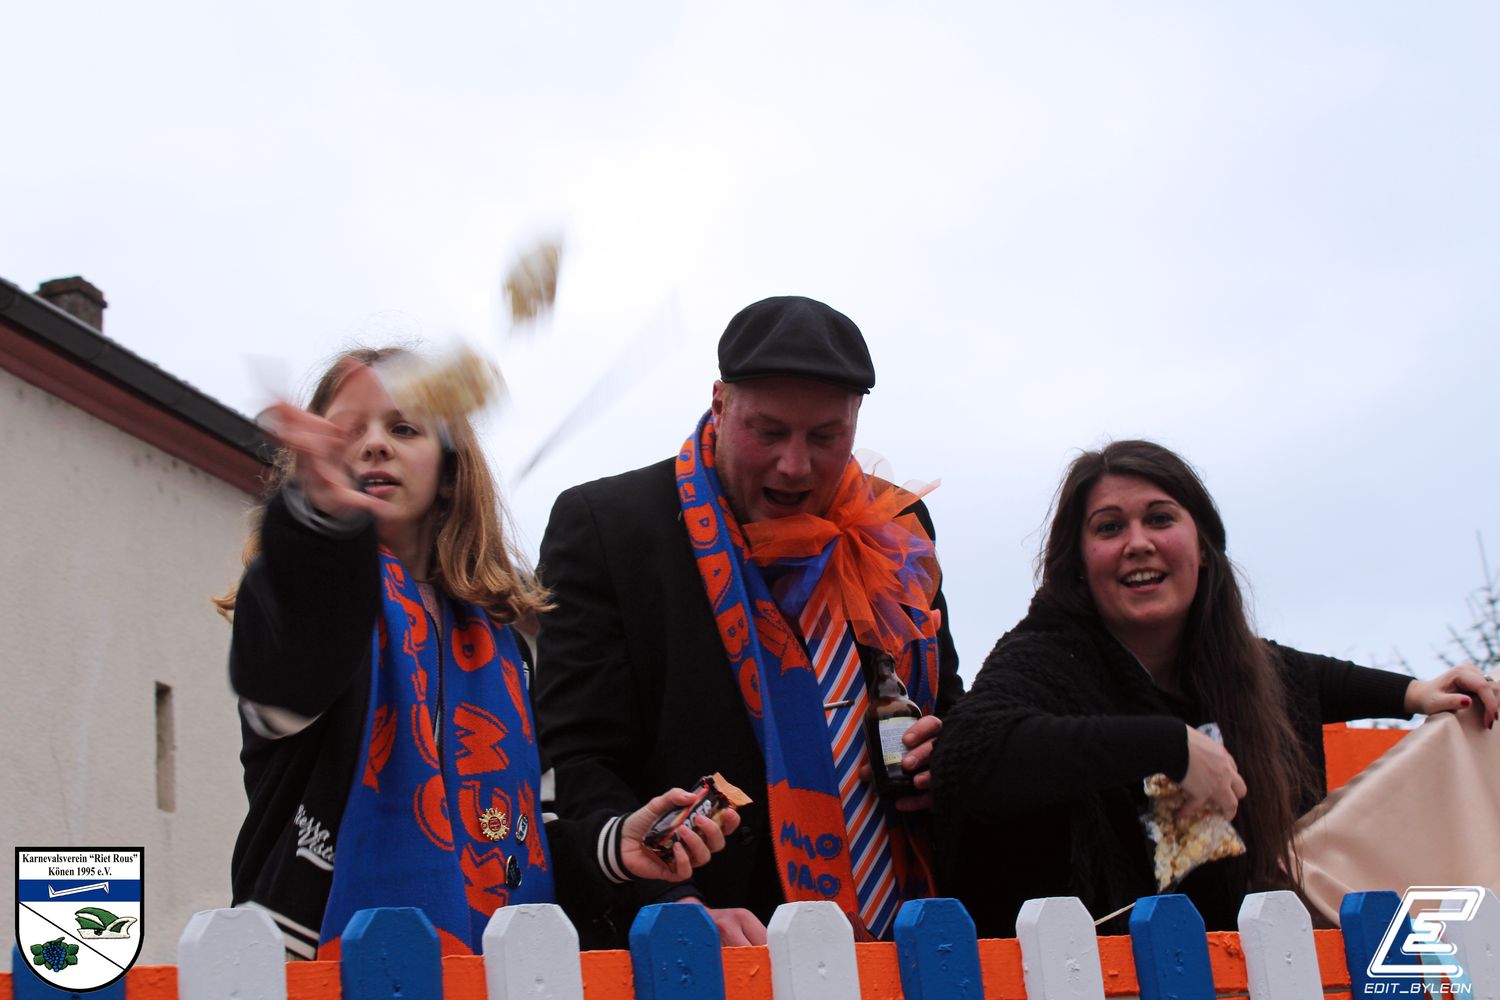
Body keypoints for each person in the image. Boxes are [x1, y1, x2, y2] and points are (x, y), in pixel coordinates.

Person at [216, 348, 738, 959]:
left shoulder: (505, 647)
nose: (375, 445)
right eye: (349, 432)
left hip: (495, 966)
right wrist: (314, 526)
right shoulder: (295, 595)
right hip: (318, 966)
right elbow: (286, 681)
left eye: (403, 428)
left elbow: (521, 842)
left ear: (449, 472)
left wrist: (616, 847)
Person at [930, 439, 1500, 936]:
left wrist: (1414, 693)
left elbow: (1310, 677)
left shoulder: (1232, 663)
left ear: (1202, 546)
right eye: (1109, 527)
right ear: (1079, 562)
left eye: (1160, 519)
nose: (1137, 542)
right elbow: (971, 748)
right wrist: (1169, 746)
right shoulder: (1046, 653)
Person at [534, 296, 963, 947]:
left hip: (909, 929)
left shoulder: (900, 521)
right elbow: (579, 760)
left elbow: (947, 700)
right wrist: (669, 901)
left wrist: (948, 755)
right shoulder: (609, 527)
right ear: (719, 403)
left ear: (856, 422)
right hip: (710, 940)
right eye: (768, 432)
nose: (794, 464)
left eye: (825, 437)